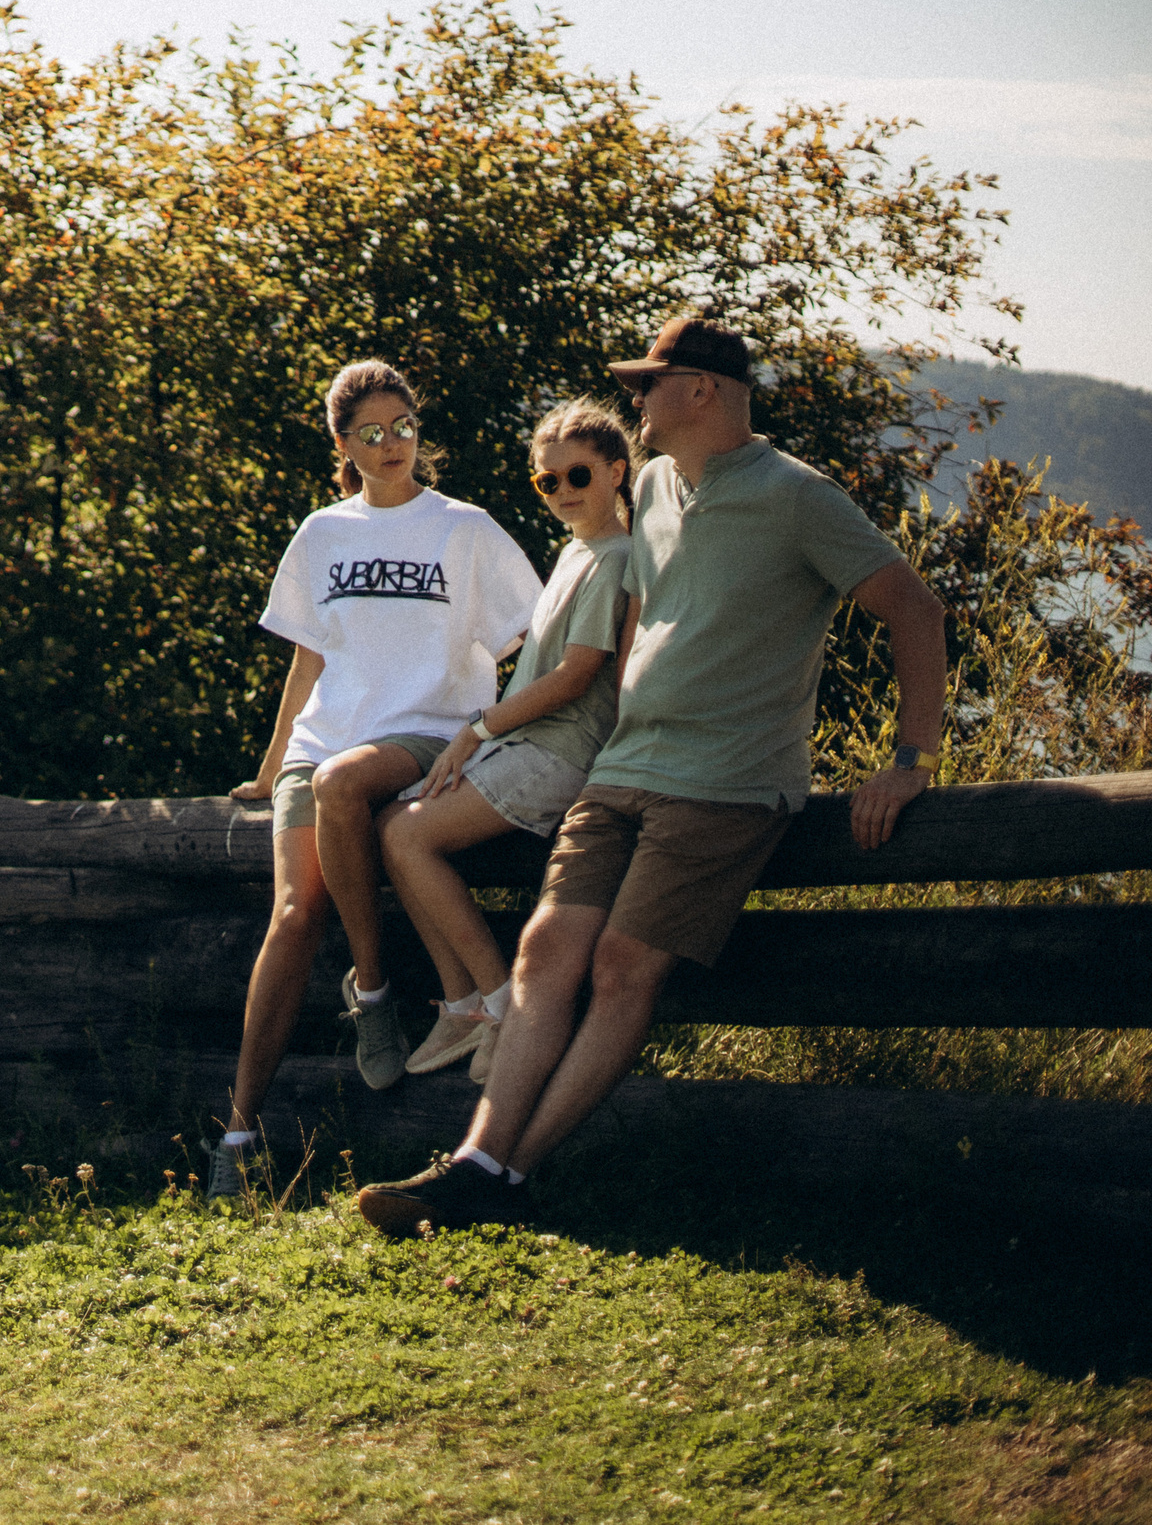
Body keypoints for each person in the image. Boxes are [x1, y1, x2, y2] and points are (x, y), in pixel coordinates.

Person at [356, 316, 949, 1234]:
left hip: (727, 781)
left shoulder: (798, 496)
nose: (635, 402)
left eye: (649, 384)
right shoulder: (659, 486)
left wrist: (911, 761)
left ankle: (499, 1173)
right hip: (623, 764)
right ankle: (483, 1160)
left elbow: (913, 607)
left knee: (627, 967)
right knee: (548, 951)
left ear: (703, 389)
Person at [212, 360, 540, 1197]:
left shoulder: (464, 528)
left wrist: (508, 736)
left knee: (345, 783)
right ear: (342, 444)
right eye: (372, 433)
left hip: (427, 739)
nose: (393, 445)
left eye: (405, 427)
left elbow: (534, 643)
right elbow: (309, 658)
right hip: (324, 745)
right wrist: (270, 760)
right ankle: (239, 1133)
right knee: (291, 913)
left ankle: (371, 988)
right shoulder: (323, 534)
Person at [376, 401, 636, 1085]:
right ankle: (463, 1005)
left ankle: (500, 1004)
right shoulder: (575, 552)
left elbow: (579, 676)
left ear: (616, 470)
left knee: (407, 838)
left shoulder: (617, 559)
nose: (562, 491)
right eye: (545, 481)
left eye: (576, 474)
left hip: (559, 753)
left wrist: (478, 729)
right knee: (391, 825)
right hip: (520, 746)